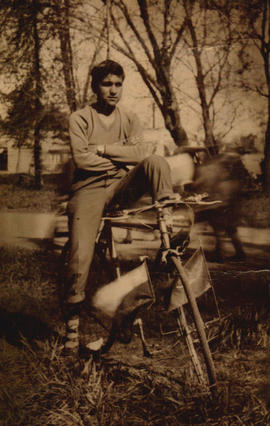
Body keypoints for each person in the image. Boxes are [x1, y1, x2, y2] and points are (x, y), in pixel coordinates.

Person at [62, 59, 180, 356]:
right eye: (107, 84)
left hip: (120, 186)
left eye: (118, 84)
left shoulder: (129, 117)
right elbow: (82, 161)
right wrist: (121, 156)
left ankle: (167, 216)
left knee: (155, 161)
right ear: (95, 86)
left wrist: (102, 149)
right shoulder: (80, 118)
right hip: (87, 190)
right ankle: (71, 330)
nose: (113, 90)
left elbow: (142, 153)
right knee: (80, 257)